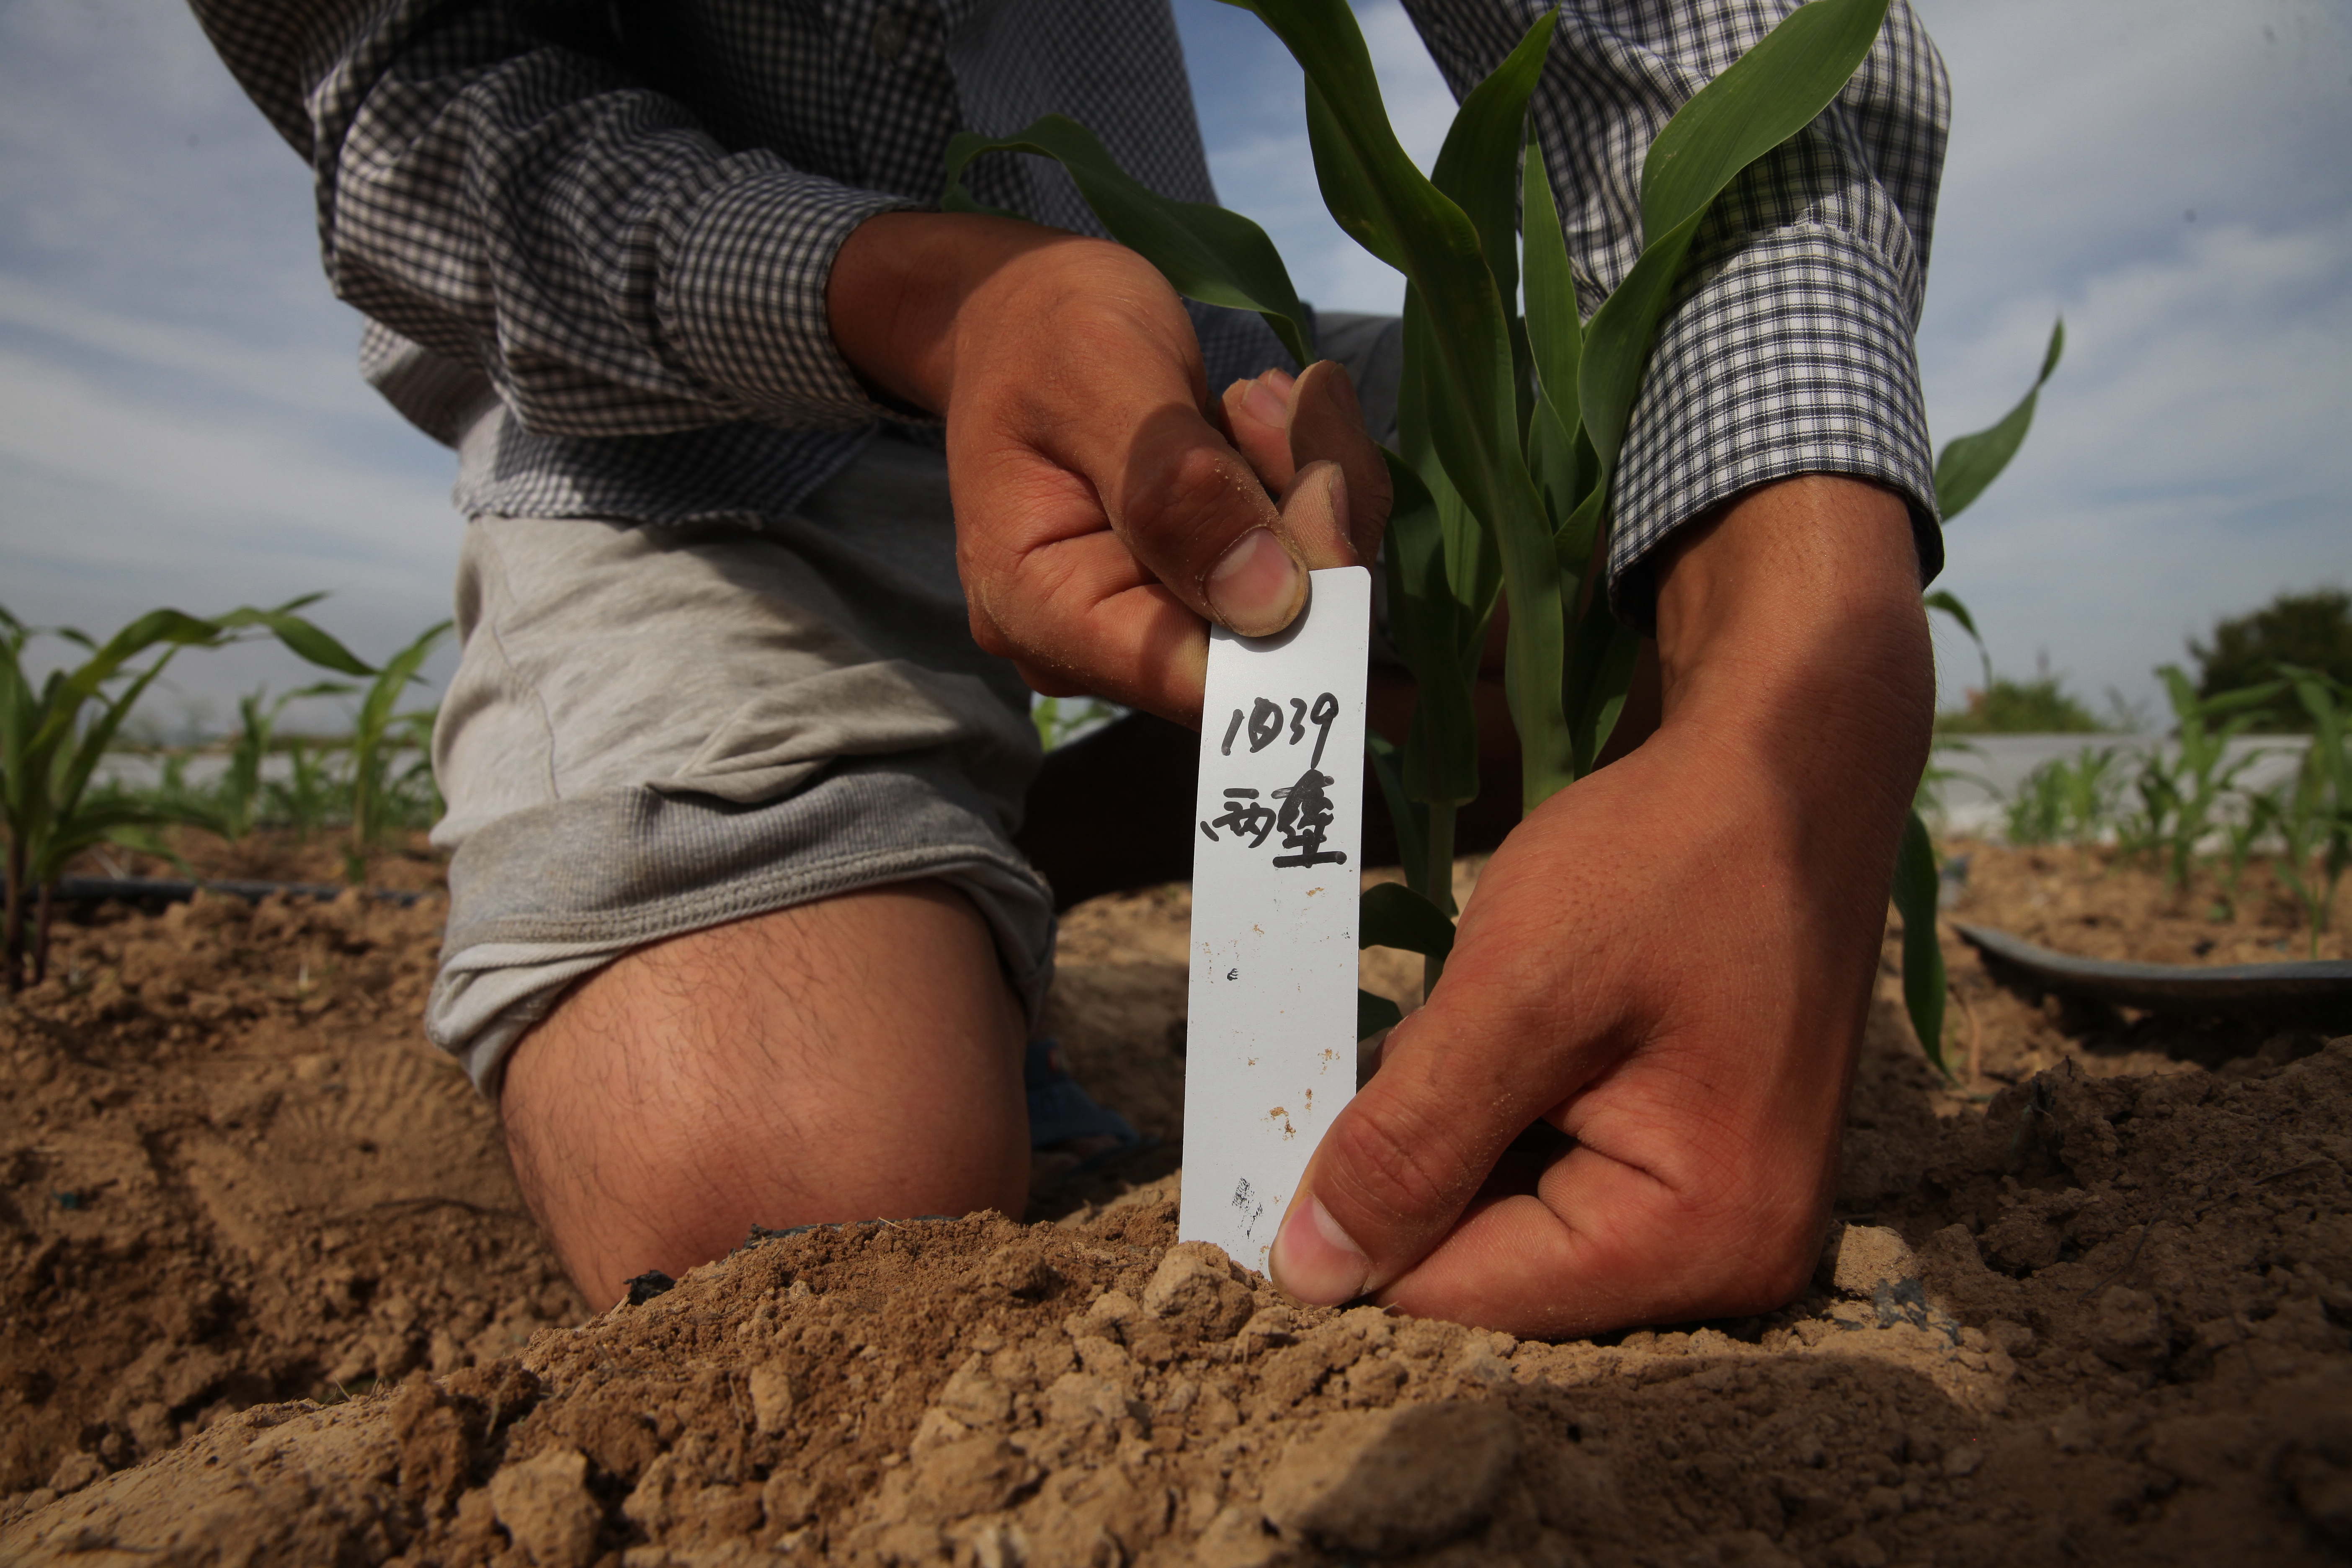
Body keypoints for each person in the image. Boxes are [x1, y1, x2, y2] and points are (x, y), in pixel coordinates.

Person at [188, 0, 1946, 1336]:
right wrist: (933, 301)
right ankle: (895, 879)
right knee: (803, 1228)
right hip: (682, 425)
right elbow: (414, 99)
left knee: (1693, 495)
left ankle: (991, 858)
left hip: (1192, 370)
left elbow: (1699, 50)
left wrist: (1804, 689)